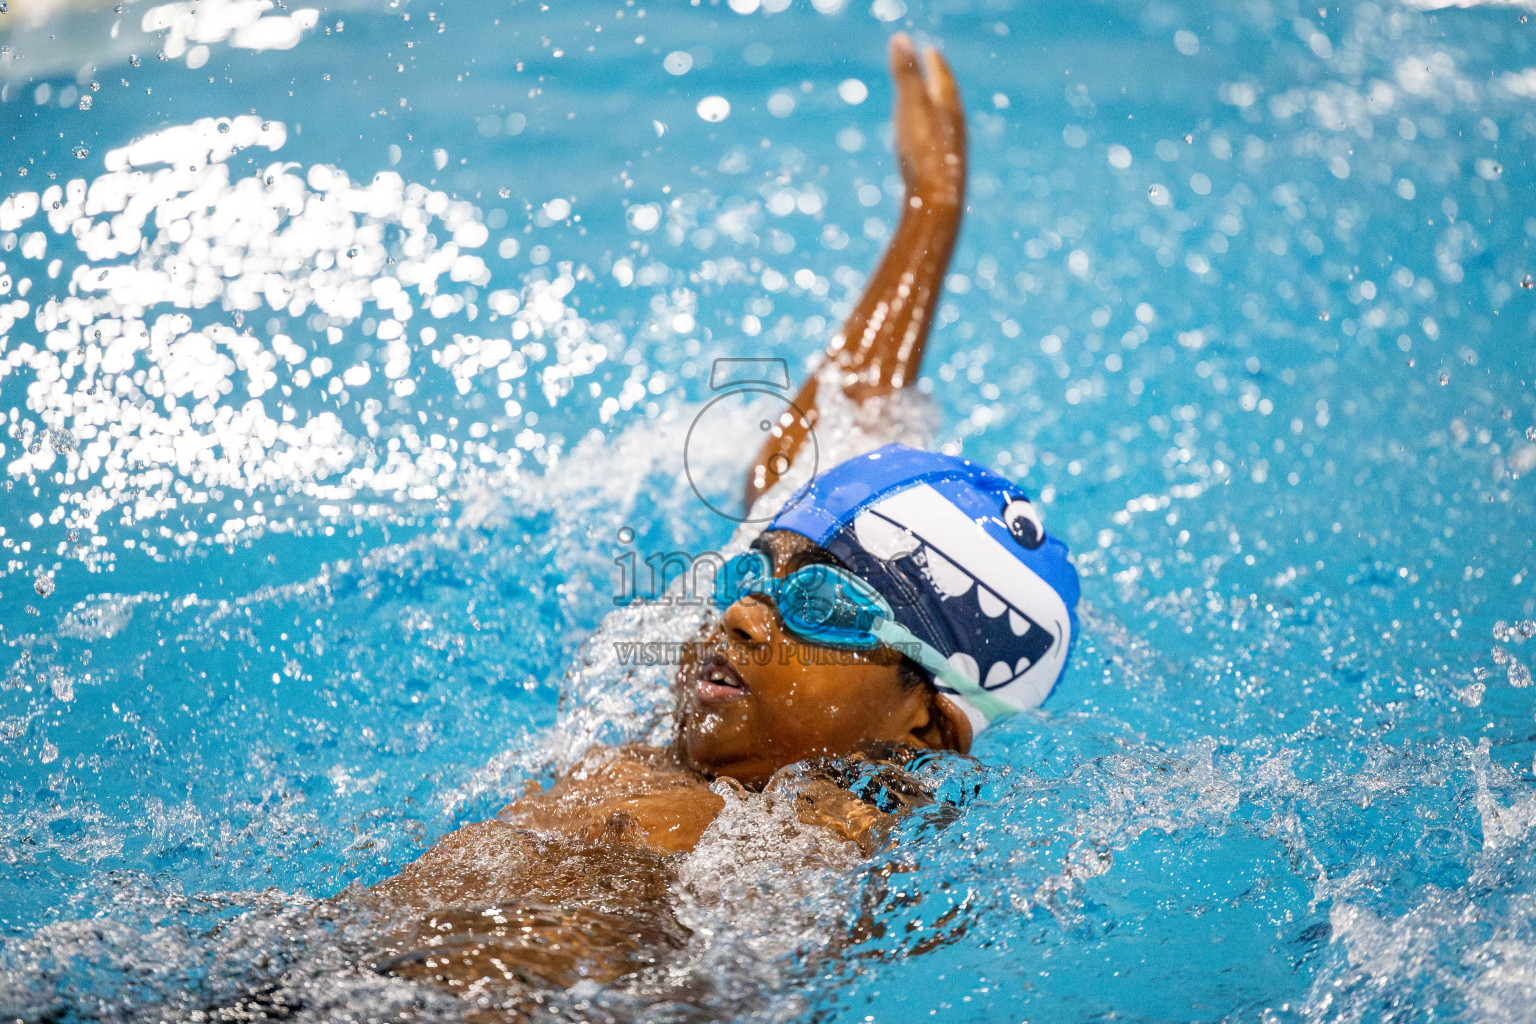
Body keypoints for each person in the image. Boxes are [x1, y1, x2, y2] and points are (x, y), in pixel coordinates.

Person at [359, 33, 1080, 1005]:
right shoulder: (737, 753)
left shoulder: (835, 824)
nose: (742, 614)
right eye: (753, 575)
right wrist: (929, 210)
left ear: (926, 720)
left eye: (819, 601)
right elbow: (816, 445)